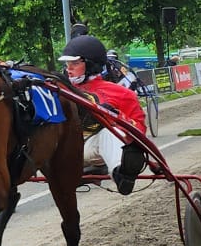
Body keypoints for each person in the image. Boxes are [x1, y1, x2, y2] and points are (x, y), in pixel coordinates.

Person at [61, 52, 150, 195]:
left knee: (109, 132)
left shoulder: (121, 93)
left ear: (90, 65)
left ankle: (121, 174)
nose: (68, 69)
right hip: (63, 152)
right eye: (67, 64)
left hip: (91, 148)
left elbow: (139, 129)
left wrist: (115, 115)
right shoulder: (59, 91)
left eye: (75, 64)